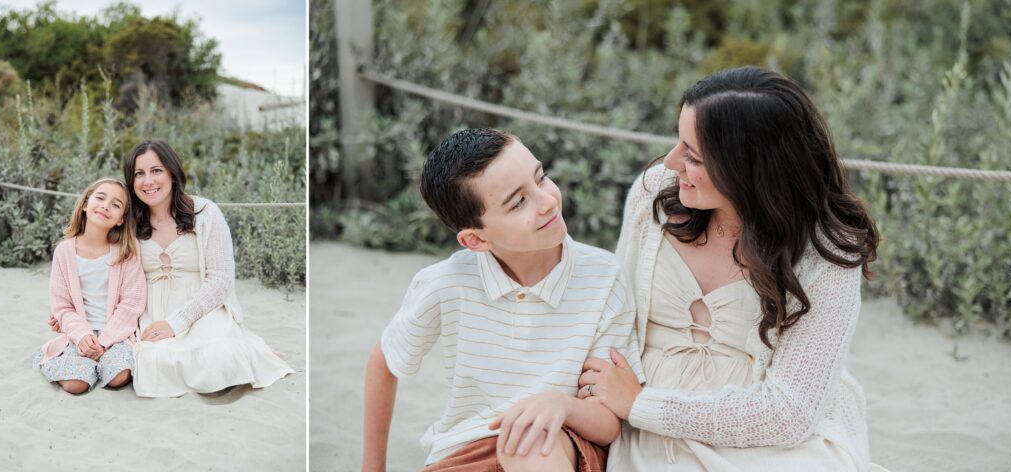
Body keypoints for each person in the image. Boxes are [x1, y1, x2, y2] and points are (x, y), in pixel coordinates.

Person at [577, 66, 886, 471]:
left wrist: (642, 404)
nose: (671, 162)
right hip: (641, 425)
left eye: (693, 155)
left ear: (749, 170)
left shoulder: (826, 249)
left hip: (766, 438)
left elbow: (788, 414)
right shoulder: (654, 194)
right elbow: (613, 317)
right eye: (678, 143)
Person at [362, 128, 646, 472]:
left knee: (530, 444)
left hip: (560, 443)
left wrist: (562, 405)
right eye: (519, 202)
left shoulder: (603, 278)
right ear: (476, 240)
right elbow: (384, 361)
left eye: (540, 179)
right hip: (464, 452)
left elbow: (608, 424)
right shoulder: (444, 285)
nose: (548, 201)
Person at [122, 139, 293, 397]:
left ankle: (247, 347)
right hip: (152, 310)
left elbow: (221, 279)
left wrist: (176, 323)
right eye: (139, 174)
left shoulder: (205, 212)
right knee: (154, 363)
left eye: (156, 170)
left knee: (220, 359)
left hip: (201, 308)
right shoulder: (129, 222)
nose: (148, 181)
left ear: (172, 172)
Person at [35, 177, 146, 394]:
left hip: (115, 335)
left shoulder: (127, 254)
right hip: (80, 333)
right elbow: (62, 307)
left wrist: (103, 342)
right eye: (100, 198)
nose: (105, 206)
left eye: (116, 204)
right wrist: (82, 336)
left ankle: (98, 365)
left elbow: (131, 305)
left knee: (118, 375)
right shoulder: (64, 252)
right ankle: (71, 364)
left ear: (121, 219)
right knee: (76, 385)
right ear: (86, 204)